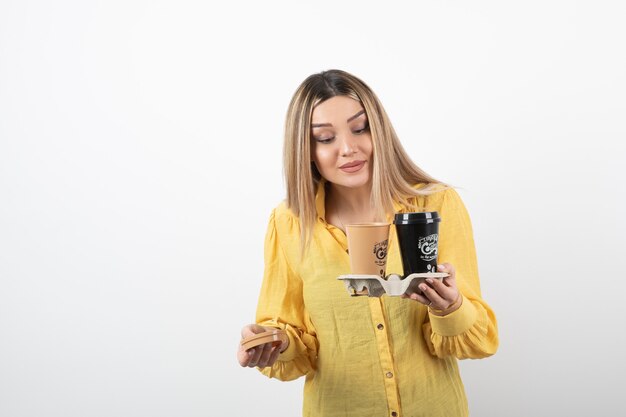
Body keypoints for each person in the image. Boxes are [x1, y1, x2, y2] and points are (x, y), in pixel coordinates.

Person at [236, 69, 498, 417]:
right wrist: (274, 343)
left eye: (360, 129)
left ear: (379, 130)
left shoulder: (434, 207)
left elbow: (477, 339)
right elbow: (294, 341)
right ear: (306, 150)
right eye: (325, 138)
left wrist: (450, 307)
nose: (348, 148)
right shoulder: (288, 225)